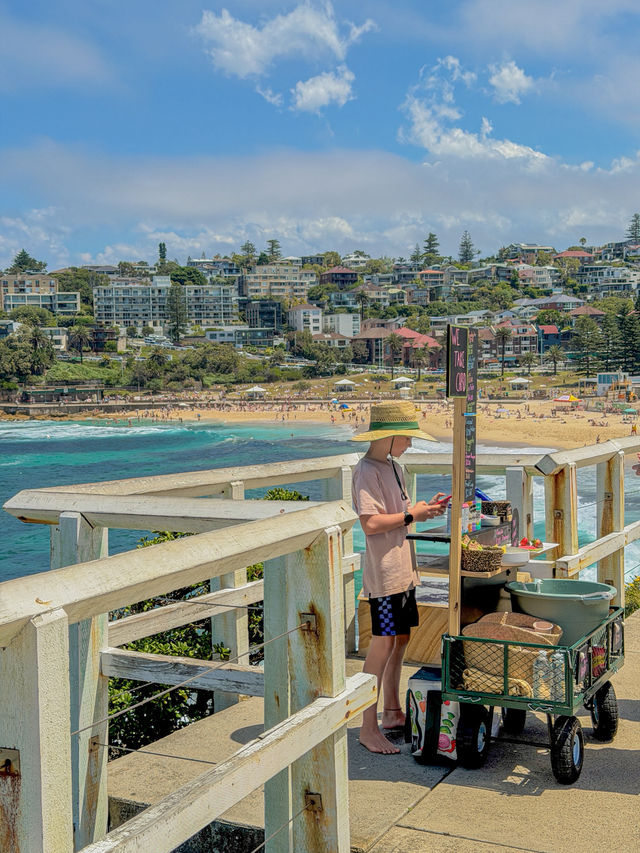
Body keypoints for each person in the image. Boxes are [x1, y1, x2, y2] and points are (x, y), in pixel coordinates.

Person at [351, 400, 446, 754]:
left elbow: (401, 513)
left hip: (404, 572)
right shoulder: (366, 470)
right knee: (383, 643)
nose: (409, 444)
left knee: (401, 640)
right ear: (388, 437)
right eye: (406, 438)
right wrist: (411, 514)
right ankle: (367, 725)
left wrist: (423, 510)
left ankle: (392, 712)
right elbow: (371, 523)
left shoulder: (393, 467)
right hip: (385, 575)